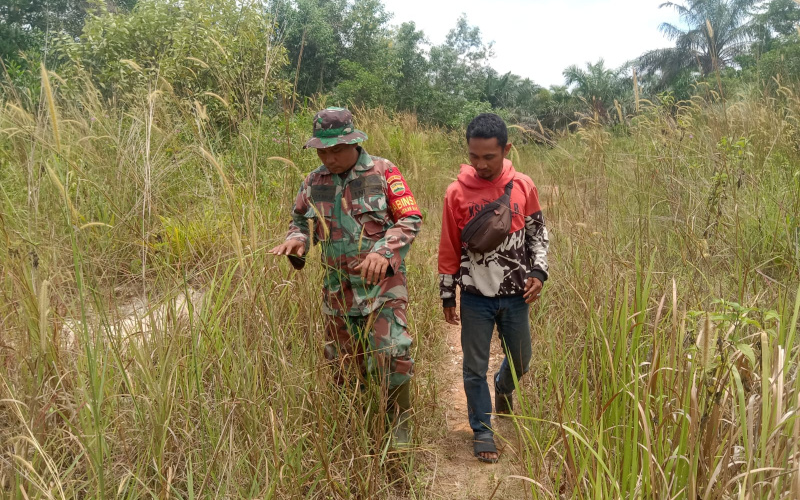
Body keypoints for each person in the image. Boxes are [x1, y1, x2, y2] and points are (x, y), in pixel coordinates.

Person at [269, 107, 423, 445]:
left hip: (383, 288)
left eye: (336, 149)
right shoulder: (313, 181)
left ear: (354, 141)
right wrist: (297, 241)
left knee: (391, 352)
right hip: (337, 291)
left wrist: (383, 252)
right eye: (322, 151)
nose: (329, 157)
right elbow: (301, 222)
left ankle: (398, 427)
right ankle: (360, 424)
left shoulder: (383, 172)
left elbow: (409, 219)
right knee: (343, 365)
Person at [438, 113, 549, 463]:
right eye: (474, 156)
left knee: (521, 360)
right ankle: (482, 430)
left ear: (506, 149)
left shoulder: (523, 186)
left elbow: (537, 234)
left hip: (517, 296)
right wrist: (447, 293)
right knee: (474, 366)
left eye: (489, 156)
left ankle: (503, 388)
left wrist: (539, 272)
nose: (481, 164)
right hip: (474, 297)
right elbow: (448, 247)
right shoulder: (456, 192)